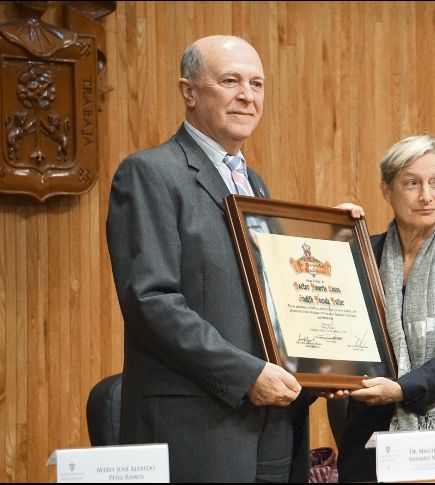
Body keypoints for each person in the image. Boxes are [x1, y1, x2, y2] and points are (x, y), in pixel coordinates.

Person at [106, 35, 354, 483]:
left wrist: (334, 241)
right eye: (230, 81)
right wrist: (246, 373)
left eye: (257, 84)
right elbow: (151, 301)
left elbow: (274, 297)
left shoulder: (254, 185)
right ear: (189, 91)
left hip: (276, 425)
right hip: (200, 427)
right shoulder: (150, 173)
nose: (247, 95)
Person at [336, 134, 435, 481]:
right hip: (368, 431)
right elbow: (323, 310)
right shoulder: (362, 254)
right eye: (412, 183)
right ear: (386, 189)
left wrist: (400, 389)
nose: (427, 196)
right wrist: (329, 235)